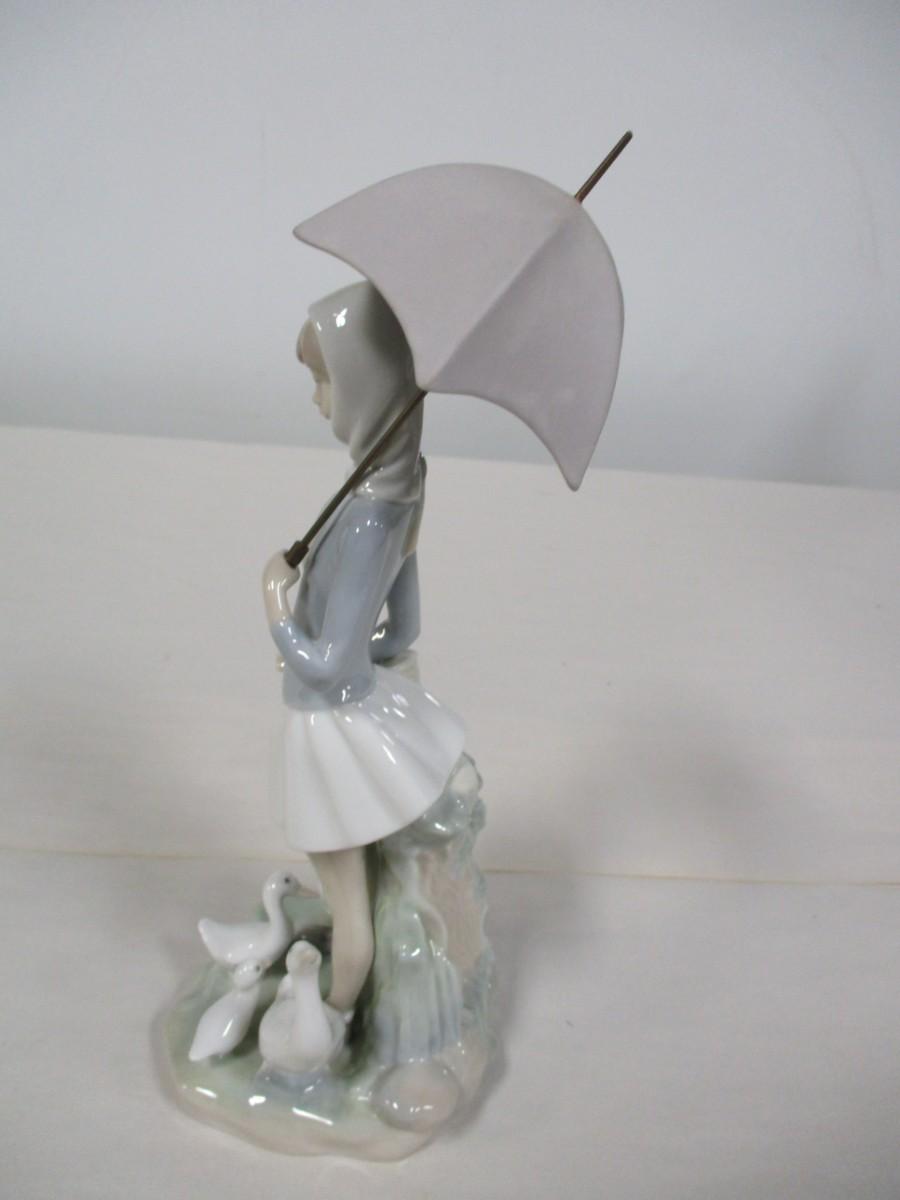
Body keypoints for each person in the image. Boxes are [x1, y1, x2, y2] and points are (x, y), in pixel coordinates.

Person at [262, 281, 464, 1014]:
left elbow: (330, 665)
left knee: (347, 900)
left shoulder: (366, 517)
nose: (320, 401)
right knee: (355, 885)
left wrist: (275, 602)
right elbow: (400, 629)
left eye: (327, 381)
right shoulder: (402, 490)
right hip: (358, 716)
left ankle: (336, 1019)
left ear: (368, 389)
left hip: (327, 730)